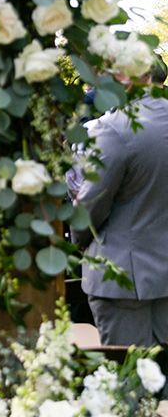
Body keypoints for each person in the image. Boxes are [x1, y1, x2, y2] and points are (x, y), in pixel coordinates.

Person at [73, 63, 168, 347]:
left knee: (129, 381)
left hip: (123, 278)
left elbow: (90, 207)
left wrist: (75, 239)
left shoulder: (113, 129)